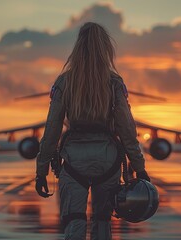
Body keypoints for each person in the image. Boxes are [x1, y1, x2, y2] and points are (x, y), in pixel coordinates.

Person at [35, 22, 150, 240]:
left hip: (73, 163)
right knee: (102, 223)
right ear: (105, 48)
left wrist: (41, 170)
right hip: (108, 163)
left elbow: (52, 130)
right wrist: (139, 167)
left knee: (74, 223)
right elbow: (127, 129)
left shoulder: (64, 82)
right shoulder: (114, 82)